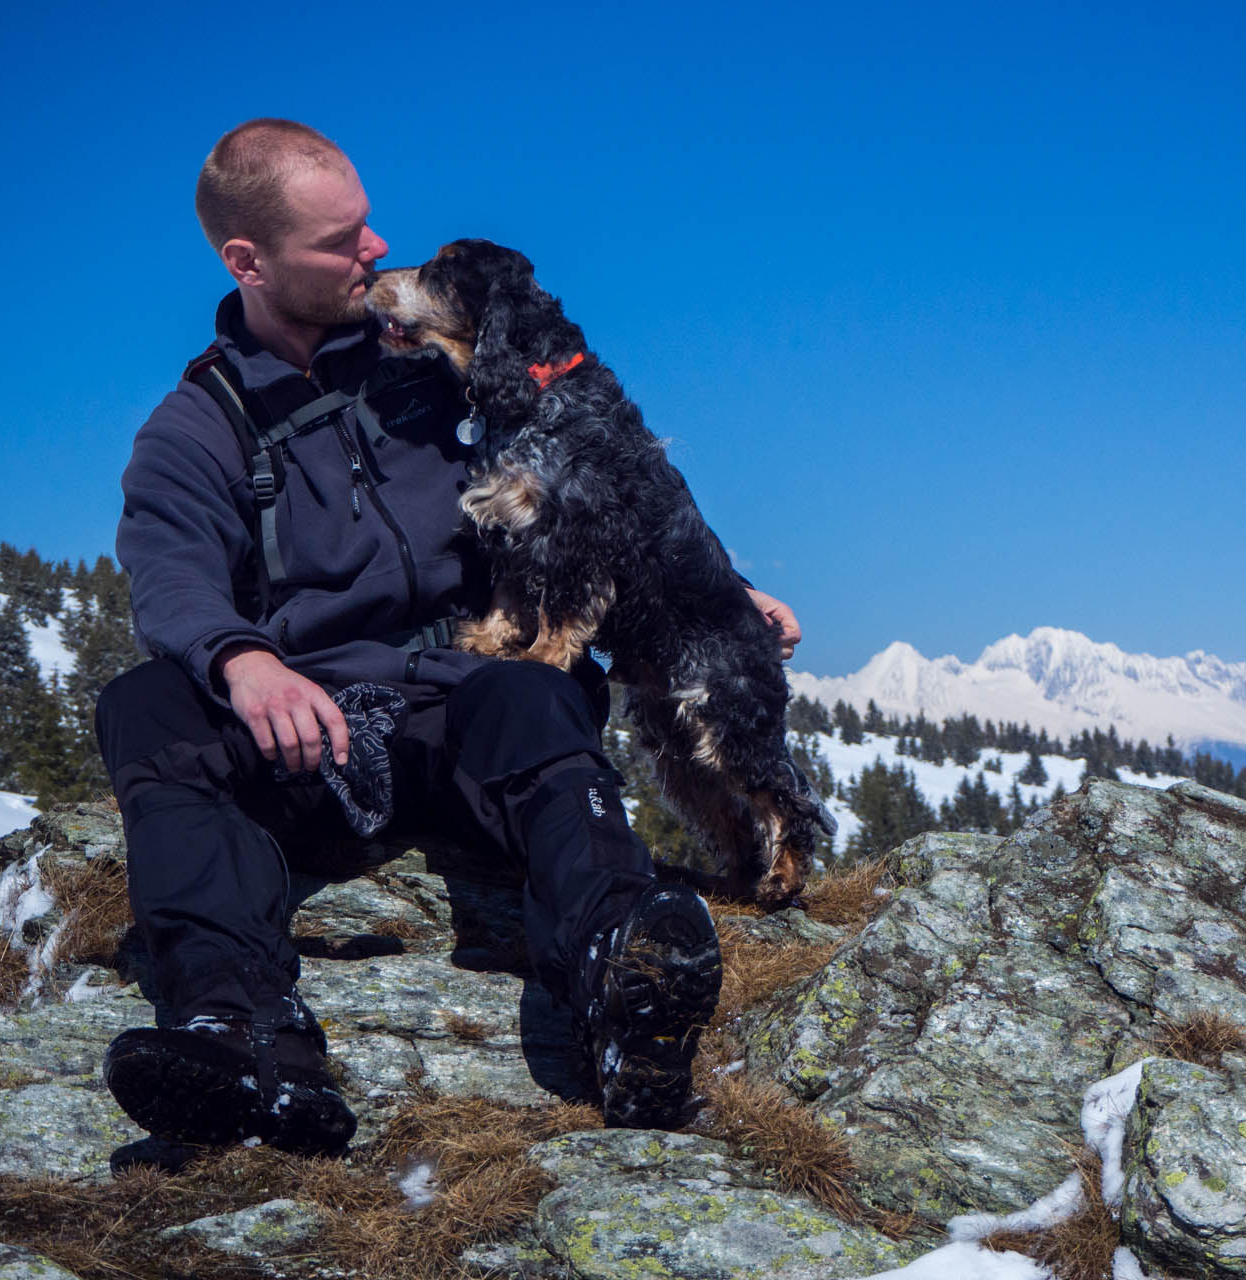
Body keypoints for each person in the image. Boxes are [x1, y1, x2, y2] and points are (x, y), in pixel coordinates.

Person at [95, 118, 801, 1160]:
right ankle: (240, 1035)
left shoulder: (433, 364)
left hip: (469, 697)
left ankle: (622, 971)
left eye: (370, 224)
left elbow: (604, 463)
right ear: (248, 260)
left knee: (537, 694)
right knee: (144, 705)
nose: (376, 249)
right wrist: (244, 661)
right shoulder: (196, 428)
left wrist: (721, 587)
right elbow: (170, 577)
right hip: (316, 731)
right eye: (343, 241)